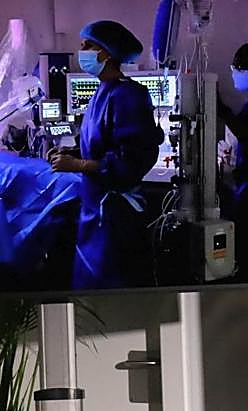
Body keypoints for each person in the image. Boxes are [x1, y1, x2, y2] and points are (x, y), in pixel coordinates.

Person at [50, 20, 163, 290]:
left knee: (109, 289)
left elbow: (129, 162)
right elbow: (99, 143)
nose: (82, 52)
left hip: (115, 216)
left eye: (88, 46)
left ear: (107, 53)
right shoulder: (102, 92)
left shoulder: (129, 96)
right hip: (95, 210)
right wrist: (71, 152)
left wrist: (77, 164)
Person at [217, 41, 248, 281]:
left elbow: (247, 132)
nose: (234, 73)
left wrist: (222, 110)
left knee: (247, 242)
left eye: (238, 68)